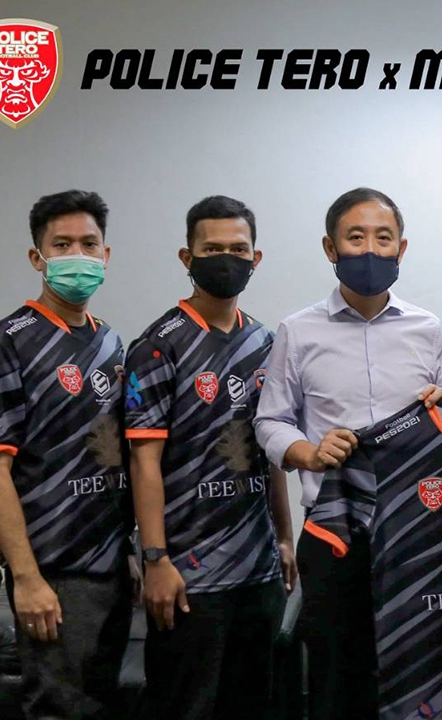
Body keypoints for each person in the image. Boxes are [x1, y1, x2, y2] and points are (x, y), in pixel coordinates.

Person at [253, 188, 442, 720]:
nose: (370, 249)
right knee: (334, 679)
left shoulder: (427, 328)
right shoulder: (298, 331)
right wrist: (308, 453)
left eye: (383, 238)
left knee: (416, 672)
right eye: (355, 237)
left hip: (417, 532)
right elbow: (269, 421)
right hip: (333, 532)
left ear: (401, 248)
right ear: (331, 247)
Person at [125, 195, 296, 720]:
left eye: (238, 249)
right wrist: (155, 560)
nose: (227, 258)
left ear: (256, 258)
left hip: (258, 571)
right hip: (188, 576)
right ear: (188, 257)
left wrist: (285, 538)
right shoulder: (158, 346)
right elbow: (143, 462)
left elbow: (271, 448)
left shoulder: (266, 341)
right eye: (212, 248)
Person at [0, 190, 134, 720]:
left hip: (111, 564)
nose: (77, 255)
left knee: (102, 705)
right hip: (54, 569)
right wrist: (25, 577)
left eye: (89, 244)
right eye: (62, 245)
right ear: (37, 258)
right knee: (57, 710)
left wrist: (133, 553)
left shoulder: (111, 342)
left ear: (106, 255)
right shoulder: (7, 342)